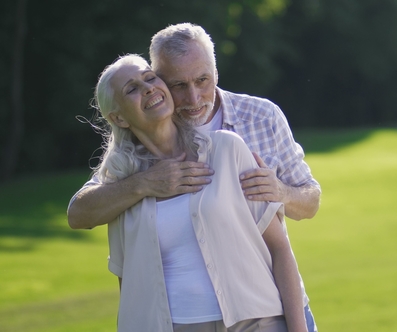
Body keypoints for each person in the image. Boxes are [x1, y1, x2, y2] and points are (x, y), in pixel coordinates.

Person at [68, 23, 320, 331]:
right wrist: (144, 184)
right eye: (178, 85)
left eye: (203, 80)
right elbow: (82, 214)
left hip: (271, 307)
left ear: (216, 72)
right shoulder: (131, 169)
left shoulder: (256, 122)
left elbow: (309, 202)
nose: (194, 97)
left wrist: (280, 192)